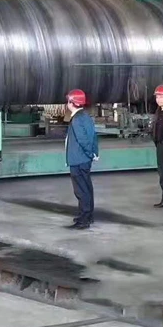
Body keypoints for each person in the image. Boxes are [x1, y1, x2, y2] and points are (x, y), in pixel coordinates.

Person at [65, 89, 99, 230]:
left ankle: (84, 219)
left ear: (72, 103)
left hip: (78, 160)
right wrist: (94, 153)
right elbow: (94, 136)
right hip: (84, 160)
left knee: (81, 191)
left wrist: (90, 153)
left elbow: (83, 140)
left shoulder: (76, 120)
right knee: (87, 188)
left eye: (68, 101)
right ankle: (88, 215)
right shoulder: (85, 116)